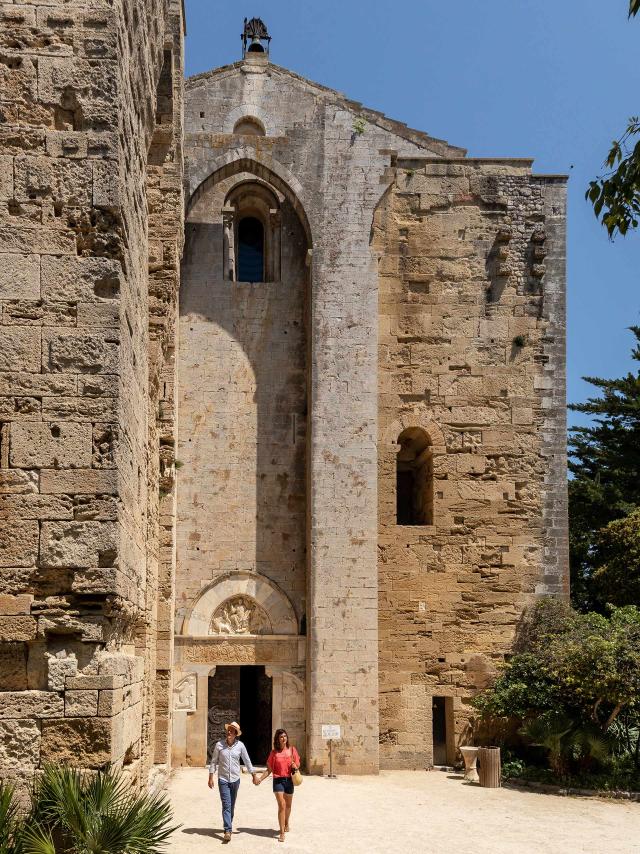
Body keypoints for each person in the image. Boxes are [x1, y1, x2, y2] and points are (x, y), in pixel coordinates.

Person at [207, 721, 260, 843]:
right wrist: (211, 777)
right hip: (223, 779)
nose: (229, 732)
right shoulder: (219, 745)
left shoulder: (240, 746)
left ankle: (228, 825)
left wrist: (253, 775)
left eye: (232, 731)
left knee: (231, 805)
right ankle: (227, 830)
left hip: (235, 779)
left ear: (236, 734)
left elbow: (247, 761)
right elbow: (214, 761)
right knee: (226, 805)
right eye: (229, 730)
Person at [255, 728, 301, 843]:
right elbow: (269, 770)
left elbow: (298, 764)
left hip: (289, 780)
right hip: (278, 780)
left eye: (285, 736)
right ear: (277, 739)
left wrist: (295, 765)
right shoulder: (274, 753)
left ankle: (286, 822)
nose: (283, 738)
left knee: (288, 805)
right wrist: (260, 779)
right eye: (281, 737)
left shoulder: (292, 750)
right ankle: (281, 832)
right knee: (282, 804)